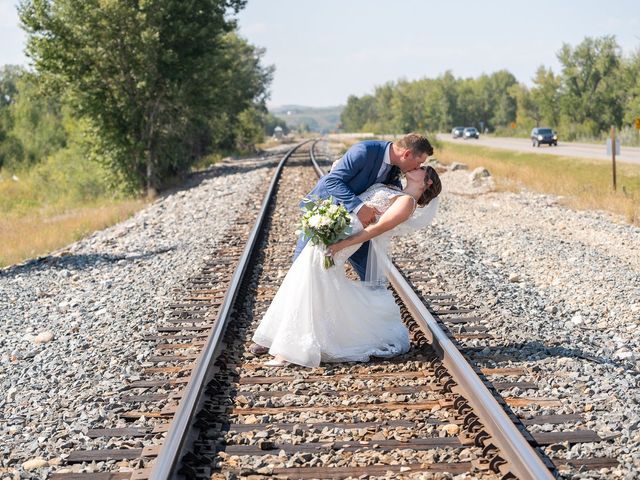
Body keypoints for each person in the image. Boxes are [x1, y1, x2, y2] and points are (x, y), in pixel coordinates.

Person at [249, 133, 433, 356]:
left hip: (357, 230)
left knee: (372, 279)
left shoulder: (397, 169)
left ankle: (376, 332)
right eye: (419, 161)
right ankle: (275, 338)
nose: (419, 166)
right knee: (302, 272)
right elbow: (331, 181)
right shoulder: (364, 151)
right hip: (329, 218)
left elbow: (390, 198)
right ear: (406, 154)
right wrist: (358, 207)